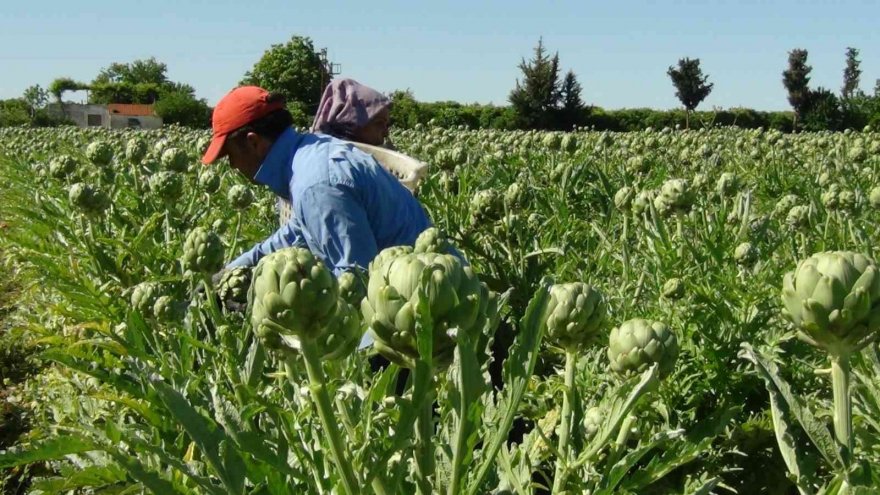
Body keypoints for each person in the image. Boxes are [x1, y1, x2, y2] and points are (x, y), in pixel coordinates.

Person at [201, 85, 431, 276]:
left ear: (253, 142)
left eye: (230, 154)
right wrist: (231, 272)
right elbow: (295, 234)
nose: (232, 165)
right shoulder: (310, 154)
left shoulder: (317, 184)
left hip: (426, 305)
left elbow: (357, 280)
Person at [311, 78, 393, 147]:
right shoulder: (340, 161)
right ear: (351, 122)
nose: (386, 133)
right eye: (379, 123)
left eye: (386, 125)